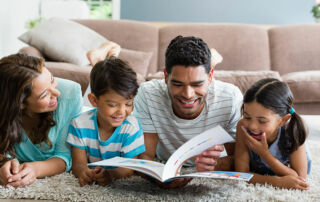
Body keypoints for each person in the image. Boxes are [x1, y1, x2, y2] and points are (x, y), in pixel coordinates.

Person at [133, 36, 243, 187]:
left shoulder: (230, 98)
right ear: (166, 77)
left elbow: (239, 158)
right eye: (178, 84)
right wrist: (155, 177)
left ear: (210, 76)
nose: (187, 94)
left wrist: (217, 165)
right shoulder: (148, 94)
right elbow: (144, 156)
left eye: (197, 84)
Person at [0, 53, 82, 188]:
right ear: (20, 104)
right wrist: (5, 164)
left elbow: (65, 156)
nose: (57, 93)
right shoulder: (4, 107)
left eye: (52, 80)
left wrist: (35, 169)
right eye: (44, 94)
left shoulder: (70, 93)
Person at [67, 57, 145, 187]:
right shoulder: (79, 124)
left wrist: (111, 175)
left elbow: (129, 169)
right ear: (93, 100)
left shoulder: (131, 128)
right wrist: (84, 172)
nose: (122, 111)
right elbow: (78, 165)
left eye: (128, 104)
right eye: (113, 105)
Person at [234, 78, 312, 190]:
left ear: (283, 120)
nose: (252, 126)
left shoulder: (293, 130)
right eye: (247, 117)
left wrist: (264, 153)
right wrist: (276, 182)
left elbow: (299, 179)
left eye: (262, 121)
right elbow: (241, 174)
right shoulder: (243, 127)